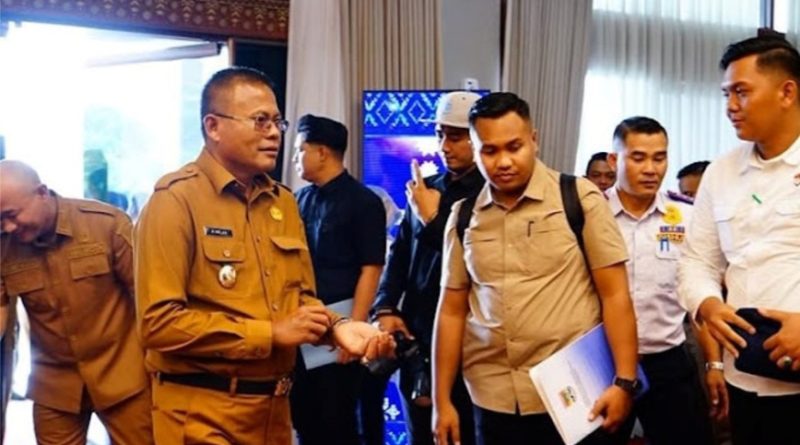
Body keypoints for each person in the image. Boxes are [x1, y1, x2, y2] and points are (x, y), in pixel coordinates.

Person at [134, 67, 393, 445]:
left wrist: (338, 328)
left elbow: (300, 298)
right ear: (213, 126)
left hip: (273, 411)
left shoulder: (282, 202)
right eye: (260, 121)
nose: (274, 133)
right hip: (202, 412)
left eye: (277, 122)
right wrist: (269, 333)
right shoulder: (174, 201)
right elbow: (158, 324)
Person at [433, 92, 639, 445]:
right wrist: (442, 401)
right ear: (476, 150)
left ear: (534, 140)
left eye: (514, 147)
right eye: (489, 150)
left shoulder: (578, 198)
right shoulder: (464, 216)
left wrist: (624, 381)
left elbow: (616, 295)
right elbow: (451, 311)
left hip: (574, 394)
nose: (503, 161)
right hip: (492, 396)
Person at [678, 35, 800, 445]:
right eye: (726, 94)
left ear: (787, 92)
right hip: (743, 375)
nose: (730, 106)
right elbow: (697, 260)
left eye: (741, 92)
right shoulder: (721, 171)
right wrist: (707, 303)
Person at [0, 160, 152, 445]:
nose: (8, 227)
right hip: (54, 384)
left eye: (12, 215)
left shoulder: (105, 224)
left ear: (41, 193)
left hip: (123, 375)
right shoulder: (4, 245)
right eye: (0, 220)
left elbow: (150, 300)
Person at [371, 91, 483, 445]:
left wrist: (433, 218)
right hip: (417, 339)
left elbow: (475, 265)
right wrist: (385, 307)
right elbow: (400, 254)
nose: (445, 146)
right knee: (421, 434)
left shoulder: (491, 196)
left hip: (473, 344)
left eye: (456, 136)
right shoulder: (424, 188)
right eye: (439, 134)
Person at [605, 117, 716, 444]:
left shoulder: (686, 216)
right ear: (614, 160)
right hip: (603, 361)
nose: (651, 169)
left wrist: (714, 364)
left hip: (667, 360)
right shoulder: (589, 212)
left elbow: (699, 294)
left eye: (659, 158)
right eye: (638, 158)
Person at [290, 114, 387, 445]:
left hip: (343, 325)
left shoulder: (364, 202)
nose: (295, 158)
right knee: (304, 418)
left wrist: (353, 329)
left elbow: (371, 268)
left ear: (321, 152)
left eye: (300, 150)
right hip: (305, 326)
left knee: (337, 422)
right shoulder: (297, 200)